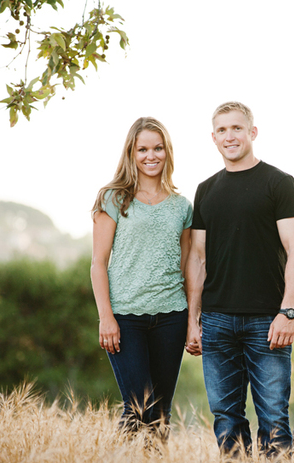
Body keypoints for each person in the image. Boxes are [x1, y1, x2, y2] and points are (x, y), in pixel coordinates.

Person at [186, 101, 294, 458]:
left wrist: (287, 312)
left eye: (237, 128)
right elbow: (197, 258)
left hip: (266, 322)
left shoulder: (280, 184)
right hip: (217, 320)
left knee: (273, 417)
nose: (230, 136)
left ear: (252, 133)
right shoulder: (206, 190)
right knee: (226, 417)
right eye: (222, 130)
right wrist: (194, 319)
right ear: (213, 138)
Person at [90, 117, 193, 438]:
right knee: (138, 407)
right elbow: (98, 262)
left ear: (168, 152)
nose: (151, 156)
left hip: (171, 317)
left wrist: (193, 320)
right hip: (125, 318)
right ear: (131, 154)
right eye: (143, 149)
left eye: (158, 148)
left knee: (160, 413)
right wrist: (105, 317)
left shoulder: (182, 207)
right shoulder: (113, 198)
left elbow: (189, 264)